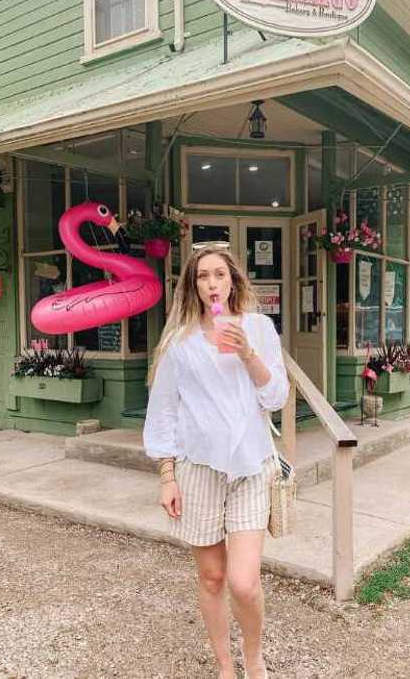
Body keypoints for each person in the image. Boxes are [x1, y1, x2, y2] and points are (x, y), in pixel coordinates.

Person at [143, 244, 288, 679]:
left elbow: (276, 396)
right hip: (198, 472)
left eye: (219, 275)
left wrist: (247, 352)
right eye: (203, 276)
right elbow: (164, 412)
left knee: (244, 583)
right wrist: (167, 476)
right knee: (211, 577)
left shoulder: (259, 328)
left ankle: (254, 656)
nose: (212, 284)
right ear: (193, 286)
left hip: (251, 468)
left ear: (233, 281)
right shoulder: (180, 343)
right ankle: (225, 667)